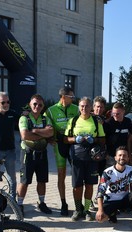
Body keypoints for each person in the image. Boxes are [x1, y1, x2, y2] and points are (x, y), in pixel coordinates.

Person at [64, 97, 106, 221]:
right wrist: (75, 139)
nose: (84, 108)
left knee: (89, 185)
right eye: (82, 106)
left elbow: (103, 140)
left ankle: (87, 210)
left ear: (91, 107)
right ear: (79, 107)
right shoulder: (73, 121)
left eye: (87, 106)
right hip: (77, 157)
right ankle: (78, 210)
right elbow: (65, 139)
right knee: (77, 185)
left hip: (92, 158)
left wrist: (94, 140)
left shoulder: (96, 121)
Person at [16, 94, 54, 215]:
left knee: (42, 180)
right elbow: (24, 135)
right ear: (30, 104)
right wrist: (43, 134)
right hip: (28, 153)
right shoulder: (24, 118)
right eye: (35, 104)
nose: (37, 106)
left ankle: (41, 203)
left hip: (42, 153)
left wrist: (35, 131)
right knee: (24, 181)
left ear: (43, 106)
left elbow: (51, 133)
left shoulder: (45, 118)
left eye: (40, 104)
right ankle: (19, 205)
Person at [46, 86, 79, 216]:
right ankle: (63, 203)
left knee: (76, 175)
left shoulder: (76, 109)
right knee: (61, 174)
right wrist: (48, 140)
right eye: (71, 97)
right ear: (63, 97)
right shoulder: (51, 110)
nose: (73, 99)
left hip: (72, 145)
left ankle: (77, 204)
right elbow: (45, 125)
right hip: (59, 145)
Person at [95, 146, 132, 224]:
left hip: (125, 199)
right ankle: (112, 213)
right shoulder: (107, 172)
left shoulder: (130, 169)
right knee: (100, 219)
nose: (122, 157)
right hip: (111, 200)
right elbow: (100, 191)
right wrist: (100, 210)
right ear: (115, 158)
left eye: (124, 155)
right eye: (120, 155)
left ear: (128, 158)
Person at [104, 102, 132, 166]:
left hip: (124, 155)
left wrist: (130, 154)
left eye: (118, 114)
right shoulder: (108, 123)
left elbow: (130, 138)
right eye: (113, 113)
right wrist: (106, 154)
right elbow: (103, 139)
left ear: (123, 112)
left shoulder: (128, 122)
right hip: (111, 155)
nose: (115, 115)